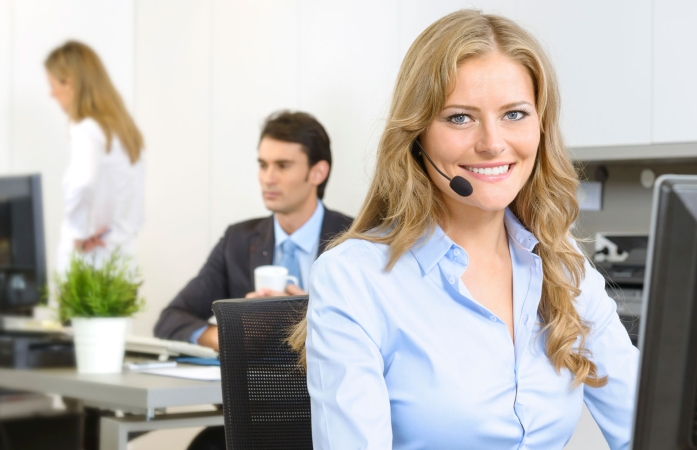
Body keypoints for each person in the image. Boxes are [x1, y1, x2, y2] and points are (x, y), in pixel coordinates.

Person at [292, 10, 639, 450]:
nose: (493, 143)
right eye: (460, 118)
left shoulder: (560, 261)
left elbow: (650, 425)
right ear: (417, 136)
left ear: (540, 127)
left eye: (515, 114)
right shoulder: (354, 278)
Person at [154, 110, 352, 351]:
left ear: (318, 172)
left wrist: (306, 315)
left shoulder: (354, 239)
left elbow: (374, 331)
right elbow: (171, 320)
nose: (268, 178)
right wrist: (236, 334)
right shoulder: (237, 240)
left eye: (283, 166)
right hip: (253, 384)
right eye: (263, 165)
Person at [45, 41, 145, 274]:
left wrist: (79, 233)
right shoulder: (124, 130)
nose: (51, 94)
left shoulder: (87, 129)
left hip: (91, 267)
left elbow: (82, 182)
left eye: (52, 85)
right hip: (123, 260)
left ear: (69, 84)